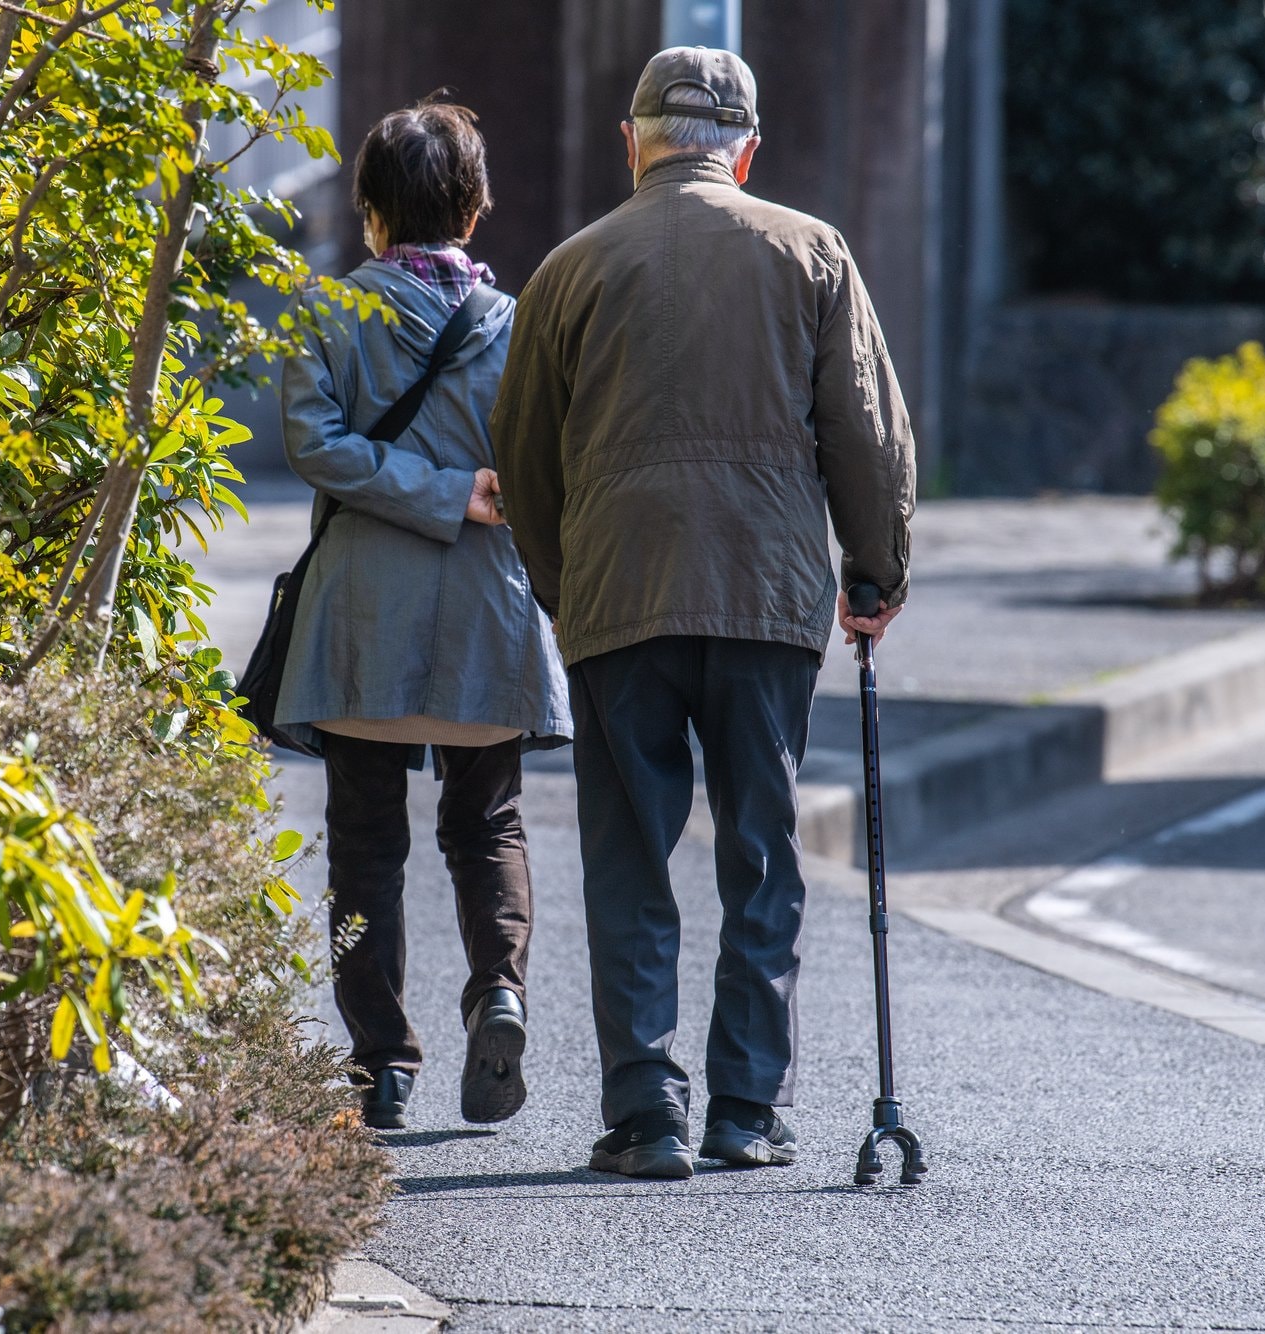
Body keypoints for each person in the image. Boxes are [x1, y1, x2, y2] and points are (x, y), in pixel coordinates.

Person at [491, 47, 915, 1179]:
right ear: (746, 149)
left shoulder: (568, 269)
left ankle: (642, 1111)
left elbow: (523, 457)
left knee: (629, 848)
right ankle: (742, 1105)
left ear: (631, 143)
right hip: (767, 592)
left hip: (619, 590)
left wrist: (559, 577)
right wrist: (873, 570)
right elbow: (866, 433)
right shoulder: (810, 251)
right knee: (761, 850)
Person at [278, 99, 572, 1132]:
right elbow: (552, 460)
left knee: (362, 844)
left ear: (368, 207)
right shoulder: (521, 321)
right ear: (474, 204)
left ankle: (380, 1064)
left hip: (363, 614)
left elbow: (314, 446)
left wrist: (417, 487)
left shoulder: (328, 312)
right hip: (488, 606)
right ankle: (499, 987)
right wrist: (466, 493)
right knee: (485, 821)